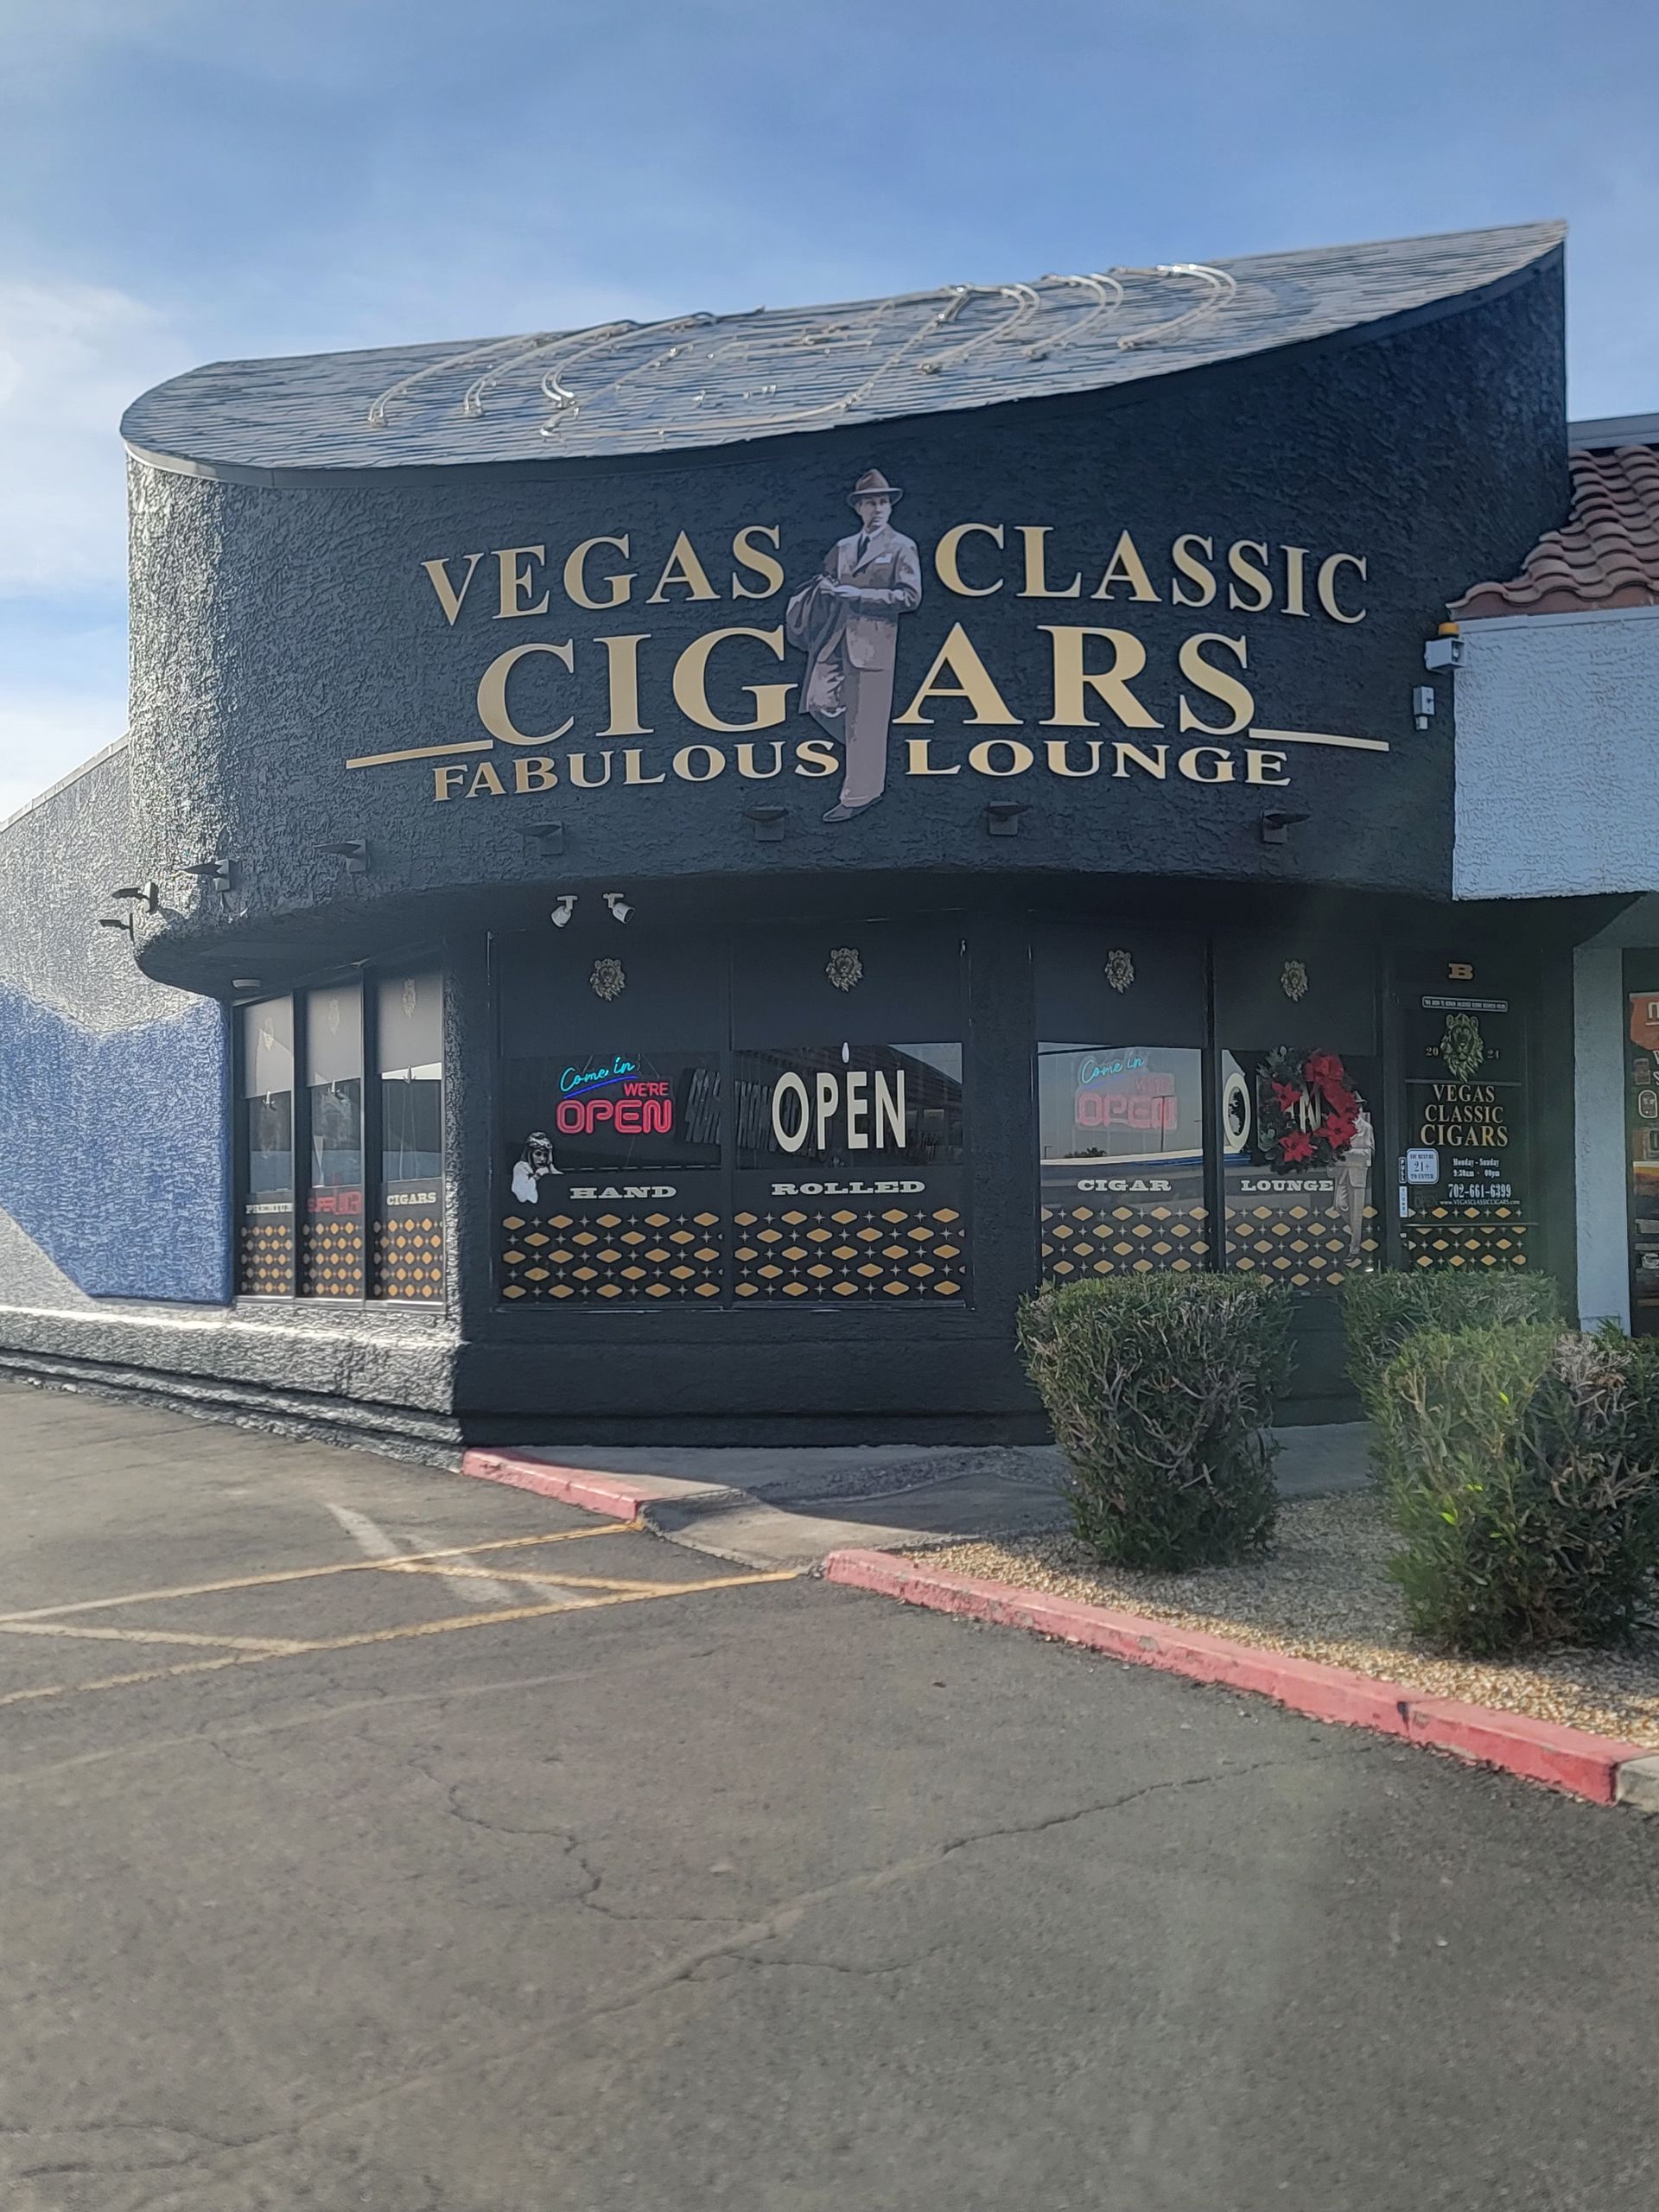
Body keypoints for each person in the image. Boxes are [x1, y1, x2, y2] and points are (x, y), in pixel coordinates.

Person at [785, 469, 922, 822]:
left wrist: (858, 595)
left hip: (874, 642)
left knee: (868, 719)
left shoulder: (901, 547)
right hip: (834, 636)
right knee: (817, 701)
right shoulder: (844, 547)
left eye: (883, 502)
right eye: (870, 502)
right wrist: (829, 590)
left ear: (890, 507)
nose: (877, 508)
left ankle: (860, 795)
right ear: (859, 508)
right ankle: (866, 748)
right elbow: (826, 578)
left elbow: (909, 596)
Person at [1332, 1098, 1374, 1264]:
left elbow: (1369, 1153)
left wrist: (1349, 1152)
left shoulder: (1366, 1128)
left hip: (1358, 1174)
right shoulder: (1342, 1125)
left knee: (1357, 1214)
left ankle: (1355, 1248)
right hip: (1343, 1172)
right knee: (1339, 1204)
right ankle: (1358, 1230)